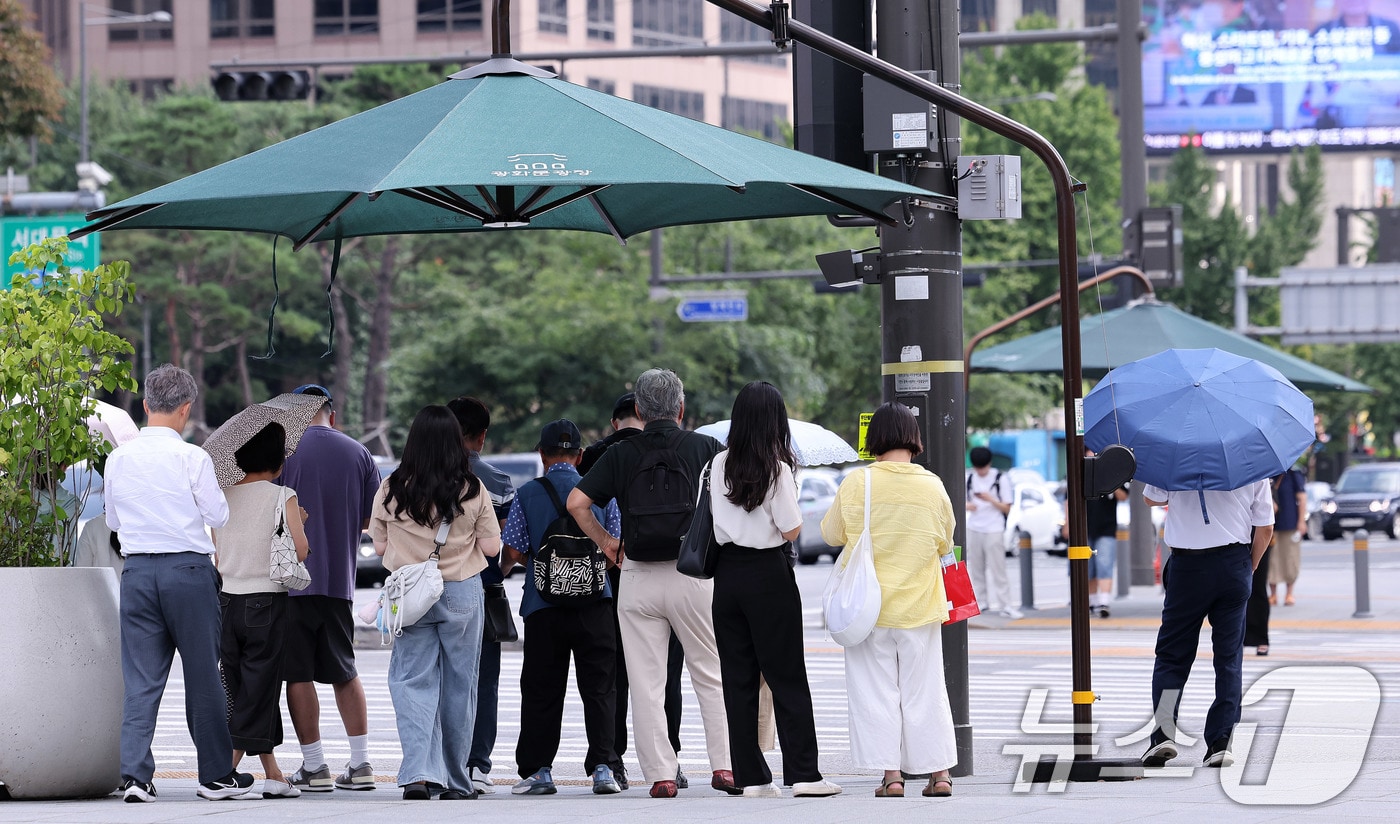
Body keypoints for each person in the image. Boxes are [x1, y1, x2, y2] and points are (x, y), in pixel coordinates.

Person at [567, 368, 737, 798]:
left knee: (646, 681)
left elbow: (577, 502)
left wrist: (608, 543)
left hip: (637, 575)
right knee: (710, 673)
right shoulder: (707, 448)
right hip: (693, 573)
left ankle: (662, 774)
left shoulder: (622, 453)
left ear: (639, 410)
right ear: (681, 408)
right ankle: (725, 768)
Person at [104, 363, 252, 802]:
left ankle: (134, 777)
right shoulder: (193, 457)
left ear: (147, 405)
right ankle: (214, 776)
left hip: (136, 572)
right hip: (187, 571)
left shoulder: (117, 458)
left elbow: (112, 520)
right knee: (204, 673)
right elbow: (219, 517)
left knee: (142, 678)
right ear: (186, 409)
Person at [709, 382, 841, 798]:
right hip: (767, 574)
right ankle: (803, 774)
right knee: (786, 676)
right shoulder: (777, 468)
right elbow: (791, 528)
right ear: (775, 421)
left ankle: (751, 777)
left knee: (738, 679)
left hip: (726, 578)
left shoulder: (716, 464)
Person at [820, 402, 957, 798]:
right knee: (926, 691)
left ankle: (892, 777)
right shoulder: (932, 485)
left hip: (868, 609)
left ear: (872, 440)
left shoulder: (856, 483)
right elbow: (945, 541)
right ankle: (940, 775)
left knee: (875, 692)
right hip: (920, 605)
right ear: (914, 438)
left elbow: (831, 533)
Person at [370, 405, 501, 800]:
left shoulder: (391, 487)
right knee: (461, 686)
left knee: (412, 681)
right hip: (461, 591)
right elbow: (493, 547)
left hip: (410, 595)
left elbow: (378, 546)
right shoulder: (472, 488)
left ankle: (418, 775)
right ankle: (459, 780)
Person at [501, 419, 625, 796]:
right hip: (595, 603)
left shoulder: (527, 494)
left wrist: (545, 564)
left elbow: (514, 552)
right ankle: (604, 766)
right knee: (601, 686)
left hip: (543, 606)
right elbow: (615, 549)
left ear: (542, 455)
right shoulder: (602, 494)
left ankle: (539, 770)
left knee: (542, 687)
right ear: (581, 456)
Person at [580, 391, 687, 790]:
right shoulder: (677, 449)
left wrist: (608, 543)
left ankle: (615, 759)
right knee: (667, 673)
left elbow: (579, 504)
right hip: (672, 571)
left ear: (618, 419)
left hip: (610, 577)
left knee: (619, 675)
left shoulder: (596, 456)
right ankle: (669, 758)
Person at [278, 384, 381, 793]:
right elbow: (371, 520)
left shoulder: (283, 455)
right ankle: (361, 764)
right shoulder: (360, 454)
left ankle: (315, 766)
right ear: (331, 416)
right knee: (344, 670)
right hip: (340, 582)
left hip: (291, 582)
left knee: (298, 674)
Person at [1140, 479, 1273, 769]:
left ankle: (1163, 733)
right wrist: (1248, 568)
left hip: (1188, 567)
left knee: (1172, 656)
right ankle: (1220, 742)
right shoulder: (1251, 461)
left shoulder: (1176, 456)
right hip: (1233, 562)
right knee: (1228, 658)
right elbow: (1265, 527)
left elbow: (1150, 499)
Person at [211, 422, 311, 799]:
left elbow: (219, 551)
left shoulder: (223, 495)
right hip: (266, 601)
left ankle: (273, 774)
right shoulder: (282, 495)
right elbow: (299, 552)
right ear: (277, 460)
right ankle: (224, 770)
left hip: (226, 602)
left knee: (244, 685)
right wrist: (299, 522)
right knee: (259, 686)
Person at [447, 396, 517, 795]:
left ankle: (442, 761)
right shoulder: (498, 482)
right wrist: (499, 572)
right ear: (482, 436)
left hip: (433, 589)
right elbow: (505, 549)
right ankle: (477, 765)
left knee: (438, 676)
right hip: (484, 591)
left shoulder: (419, 474)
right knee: (482, 680)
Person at [1063, 449, 1129, 618]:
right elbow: (1068, 499)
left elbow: (1123, 496)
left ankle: (1104, 602)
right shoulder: (1077, 471)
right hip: (1082, 526)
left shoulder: (1112, 473)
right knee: (1087, 566)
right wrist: (1068, 524)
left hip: (1106, 527)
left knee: (1104, 563)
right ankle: (1091, 602)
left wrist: (1108, 481)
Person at [965, 446, 1020, 619]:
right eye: (977, 468)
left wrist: (990, 499)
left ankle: (1006, 605)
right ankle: (981, 601)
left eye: (983, 467)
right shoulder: (969, 477)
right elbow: (961, 501)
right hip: (973, 526)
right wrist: (968, 506)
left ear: (989, 463)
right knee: (976, 568)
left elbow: (1006, 508)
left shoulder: (1000, 478)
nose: (980, 471)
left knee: (998, 569)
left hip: (994, 528)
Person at [1268, 467, 1307, 607]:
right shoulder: (1266, 472)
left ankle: (1289, 593)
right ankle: (1273, 594)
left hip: (1290, 523)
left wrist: (1301, 521)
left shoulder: (1293, 473)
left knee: (1290, 557)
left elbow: (1302, 497)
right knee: (1272, 560)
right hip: (1269, 525)